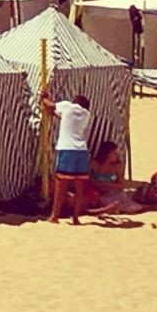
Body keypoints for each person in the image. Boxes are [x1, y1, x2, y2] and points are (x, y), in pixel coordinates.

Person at [48, 92, 95, 222]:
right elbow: (62, 117)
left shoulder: (67, 106)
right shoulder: (86, 114)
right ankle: (75, 217)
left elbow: (49, 106)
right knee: (79, 186)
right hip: (81, 151)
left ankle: (54, 216)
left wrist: (44, 97)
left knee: (61, 183)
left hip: (67, 149)